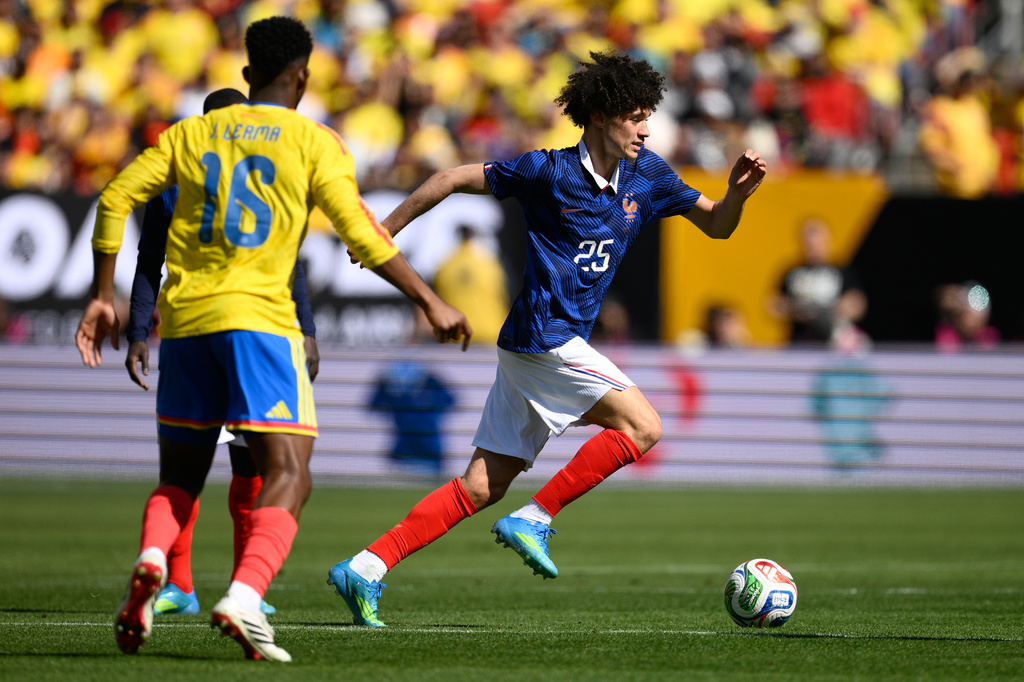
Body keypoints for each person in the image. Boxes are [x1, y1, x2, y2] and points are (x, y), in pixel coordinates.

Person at [75, 16, 470, 662]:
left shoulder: (192, 133)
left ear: (246, 73)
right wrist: (429, 299)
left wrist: (101, 293)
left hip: (185, 327)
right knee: (290, 471)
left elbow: (116, 197)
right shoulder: (316, 143)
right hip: (260, 323)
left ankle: (154, 558)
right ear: (304, 77)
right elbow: (363, 237)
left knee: (179, 477)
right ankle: (246, 595)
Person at [327, 50, 766, 627]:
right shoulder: (547, 171)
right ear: (602, 114)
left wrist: (736, 195)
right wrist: (381, 234)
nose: (646, 127)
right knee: (644, 426)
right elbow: (448, 179)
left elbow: (716, 225)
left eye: (647, 116)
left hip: (533, 346)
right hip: (546, 336)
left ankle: (365, 567)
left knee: (480, 486)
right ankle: (536, 518)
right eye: (636, 115)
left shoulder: (648, 175)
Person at [123, 87, 314, 618]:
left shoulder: (173, 176)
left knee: (186, 472)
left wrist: (140, 331)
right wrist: (307, 331)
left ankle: (182, 582)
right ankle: (237, 588)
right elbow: (291, 263)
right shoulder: (264, 173)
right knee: (259, 469)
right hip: (253, 335)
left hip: (191, 333)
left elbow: (146, 262)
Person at [771, 217, 867, 348]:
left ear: (827, 241)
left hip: (836, 342)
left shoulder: (842, 271)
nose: (812, 248)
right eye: (808, 243)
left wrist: (837, 311)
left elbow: (859, 304)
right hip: (801, 342)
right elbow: (774, 304)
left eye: (816, 242)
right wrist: (796, 310)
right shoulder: (792, 272)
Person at [369, 360, 455, 478]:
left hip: (429, 450)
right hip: (404, 450)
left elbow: (450, 400)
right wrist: (381, 386)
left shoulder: (430, 389)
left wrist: (432, 380)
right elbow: (373, 405)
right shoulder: (395, 394)